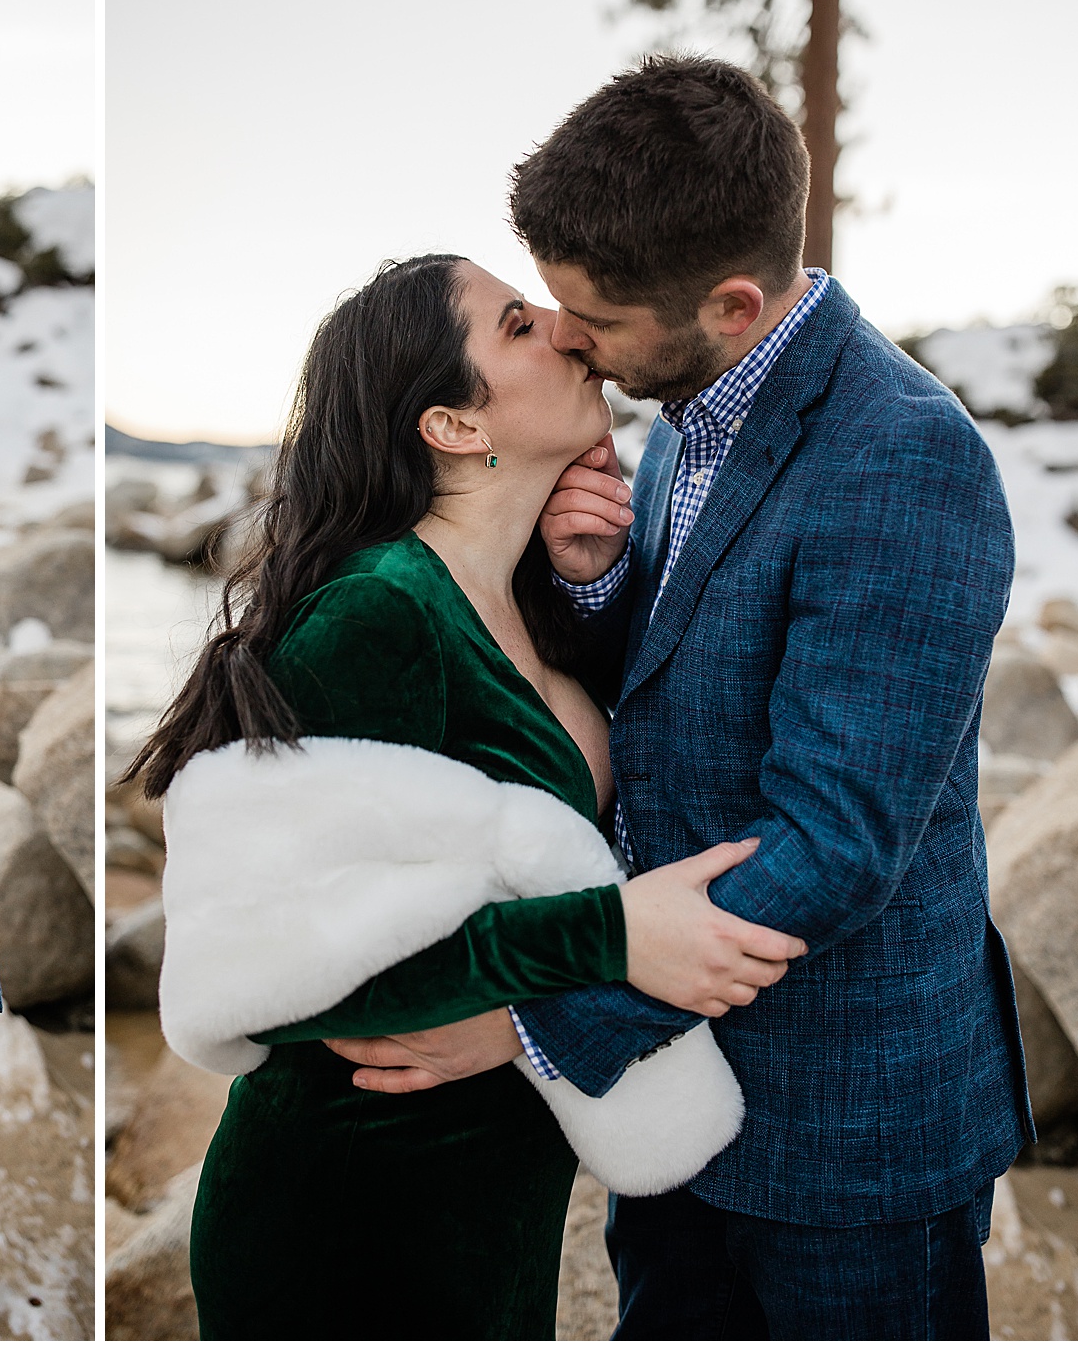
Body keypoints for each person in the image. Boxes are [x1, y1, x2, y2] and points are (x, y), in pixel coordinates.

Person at [330, 57, 1032, 1339]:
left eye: (588, 315)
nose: (564, 336)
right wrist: (595, 586)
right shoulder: (685, 407)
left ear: (729, 301)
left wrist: (534, 1028)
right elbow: (671, 699)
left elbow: (833, 844)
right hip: (676, 1101)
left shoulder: (904, 457)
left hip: (845, 1133)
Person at [128, 251, 808, 1339]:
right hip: (350, 1211)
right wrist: (607, 937)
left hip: (482, 1206)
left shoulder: (527, 599)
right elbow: (274, 970)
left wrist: (588, 573)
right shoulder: (378, 613)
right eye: (515, 324)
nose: (563, 324)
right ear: (449, 424)